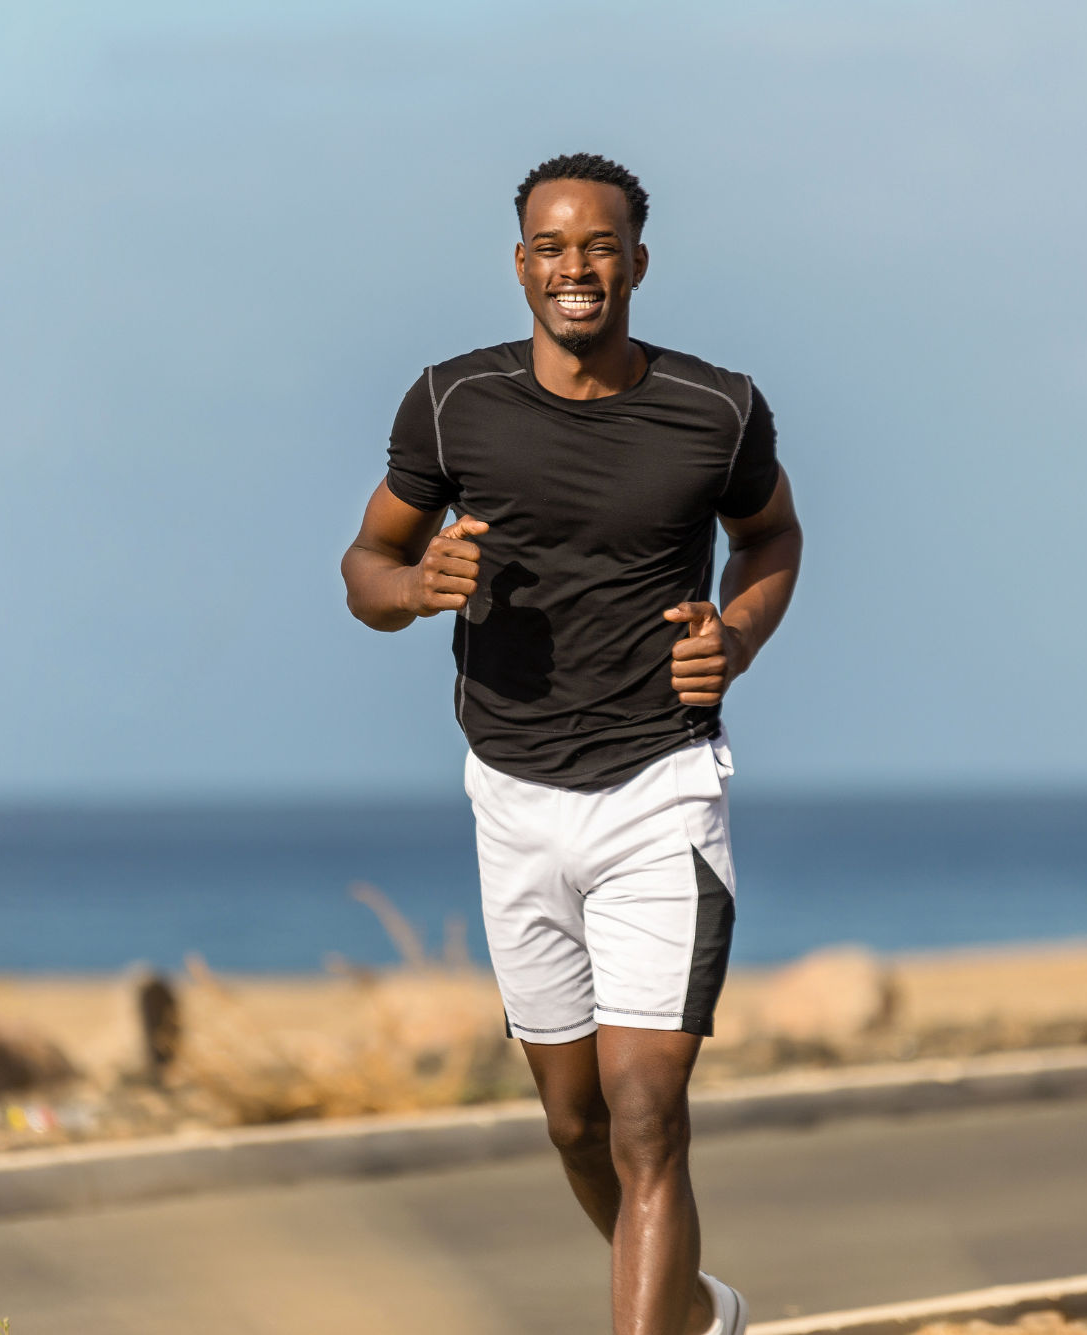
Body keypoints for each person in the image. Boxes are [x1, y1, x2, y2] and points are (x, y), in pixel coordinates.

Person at [340, 153, 803, 1335]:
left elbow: (769, 539)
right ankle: (696, 1312)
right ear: (519, 266)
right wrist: (411, 585)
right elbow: (363, 567)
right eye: (550, 248)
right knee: (574, 1123)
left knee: (646, 1112)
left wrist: (733, 640)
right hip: (510, 791)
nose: (574, 268)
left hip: (659, 786)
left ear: (636, 262)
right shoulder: (451, 402)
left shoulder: (717, 410)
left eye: (597, 246)